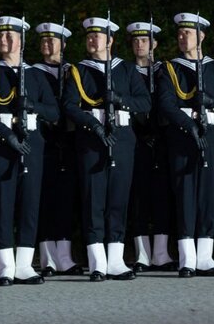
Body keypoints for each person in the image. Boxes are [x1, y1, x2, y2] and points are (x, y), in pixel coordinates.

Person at [63, 16, 151, 281]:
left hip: (122, 139)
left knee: (118, 200)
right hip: (92, 140)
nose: (92, 40)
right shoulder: (79, 71)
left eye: (97, 36)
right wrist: (93, 124)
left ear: (110, 40)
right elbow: (69, 105)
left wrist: (121, 100)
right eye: (89, 36)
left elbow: (144, 102)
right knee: (94, 200)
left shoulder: (126, 69)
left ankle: (116, 259)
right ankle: (97, 261)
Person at [0, 15, 58, 286]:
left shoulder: (35, 74)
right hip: (1, 146)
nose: (4, 40)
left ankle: (24, 264)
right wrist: (7, 135)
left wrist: (32, 105)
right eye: (1, 36)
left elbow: (54, 112)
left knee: (30, 204)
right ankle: (5, 265)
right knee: (3, 204)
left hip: (32, 145)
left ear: (21, 42)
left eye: (10, 37)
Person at [158, 12, 214, 278]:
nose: (183, 37)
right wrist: (188, 124)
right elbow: (166, 104)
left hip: (212, 138)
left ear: (201, 36)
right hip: (183, 138)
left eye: (188, 33)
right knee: (185, 196)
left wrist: (211, 102)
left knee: (208, 195)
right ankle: (187, 257)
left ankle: (205, 256)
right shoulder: (170, 68)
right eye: (180, 33)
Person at [32, 21, 84, 276]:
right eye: (43, 40)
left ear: (63, 44)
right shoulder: (33, 72)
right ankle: (47, 257)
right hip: (43, 140)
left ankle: (64, 255)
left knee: (65, 200)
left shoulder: (72, 71)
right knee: (44, 199)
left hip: (69, 141)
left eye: (52, 40)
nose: (47, 44)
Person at [125, 20, 177, 273]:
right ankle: (142, 253)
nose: (139, 44)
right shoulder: (125, 71)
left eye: (144, 40)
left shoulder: (164, 70)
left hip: (163, 140)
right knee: (138, 198)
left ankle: (161, 252)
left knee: (162, 196)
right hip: (136, 140)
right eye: (135, 40)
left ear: (154, 43)